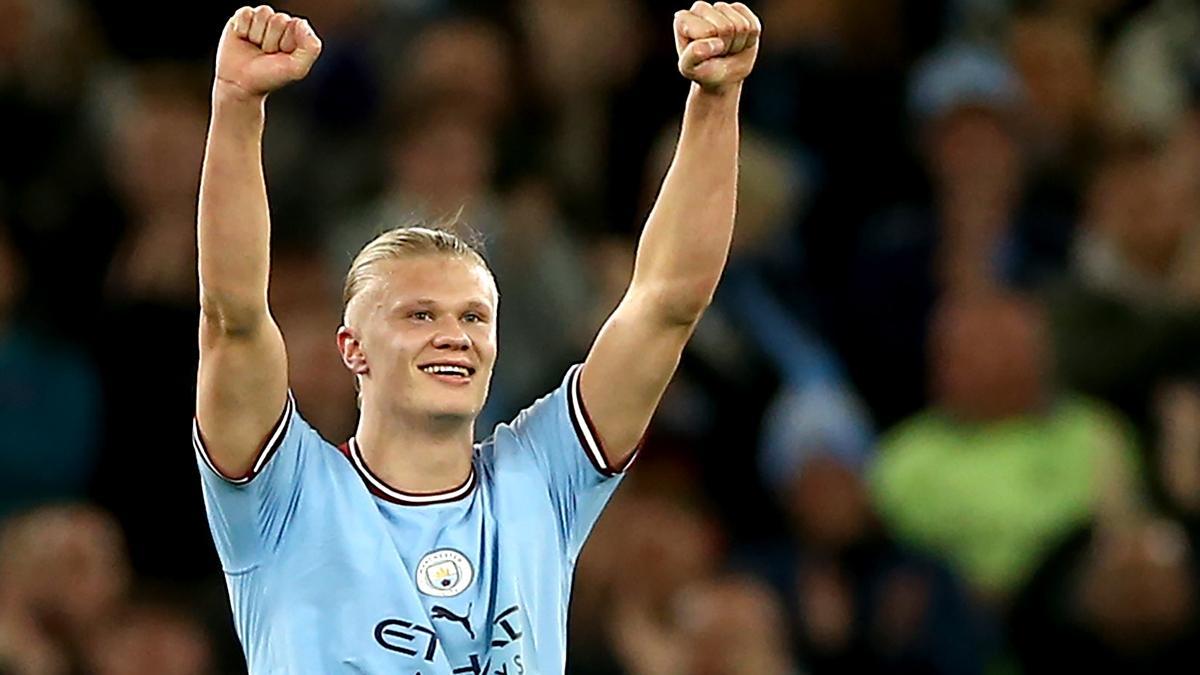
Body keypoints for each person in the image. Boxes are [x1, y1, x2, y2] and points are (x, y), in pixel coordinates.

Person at [191, 3, 761, 673]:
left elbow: (665, 302)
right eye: (419, 315)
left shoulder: (541, 477)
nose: (455, 336)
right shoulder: (283, 494)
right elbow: (232, 316)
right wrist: (236, 104)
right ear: (352, 347)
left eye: (473, 316)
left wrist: (715, 98)